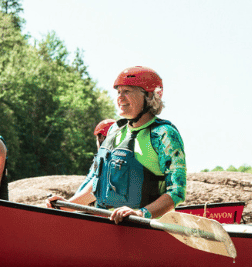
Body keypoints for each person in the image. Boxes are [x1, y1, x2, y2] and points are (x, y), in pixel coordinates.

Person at [46, 66, 187, 224]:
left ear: (149, 96)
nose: (120, 98)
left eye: (127, 91)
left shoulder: (164, 134)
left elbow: (176, 191)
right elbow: (100, 182)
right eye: (118, 92)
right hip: (109, 226)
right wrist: (69, 205)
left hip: (147, 229)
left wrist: (141, 214)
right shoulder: (115, 130)